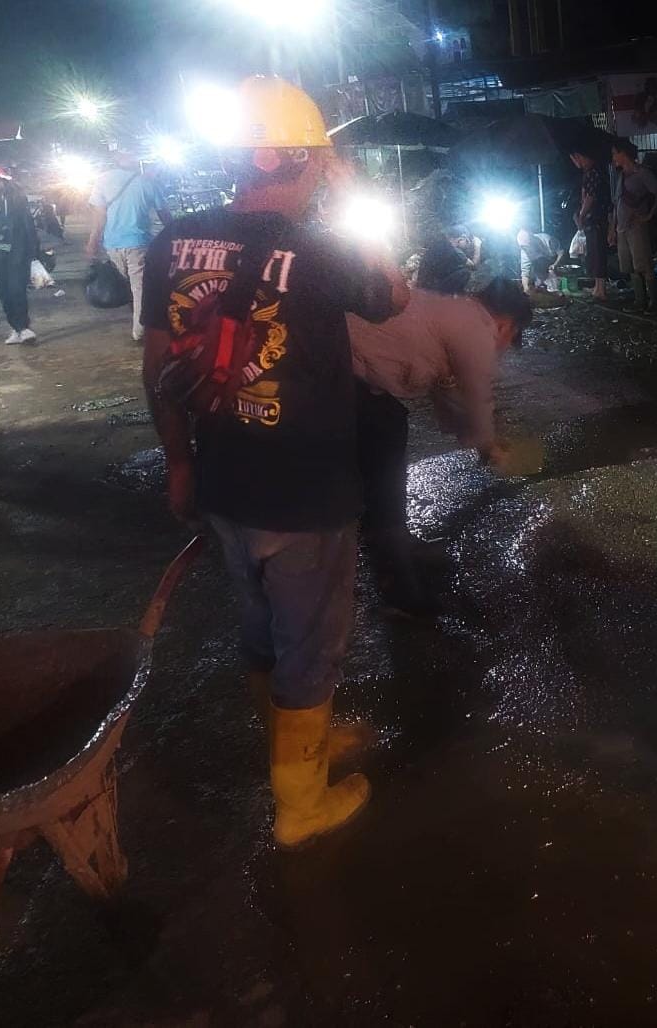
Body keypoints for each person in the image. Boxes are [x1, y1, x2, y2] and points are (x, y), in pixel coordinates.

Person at [140, 76, 409, 848]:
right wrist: (359, 200)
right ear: (290, 159)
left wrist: (180, 463)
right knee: (312, 641)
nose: (324, 168)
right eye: (317, 159)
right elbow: (391, 293)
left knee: (259, 623)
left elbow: (156, 364)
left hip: (223, 478)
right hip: (304, 490)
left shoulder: (174, 241)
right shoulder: (321, 250)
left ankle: (293, 742)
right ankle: (301, 802)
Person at [348, 277, 535, 615]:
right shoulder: (477, 328)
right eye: (511, 337)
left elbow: (449, 394)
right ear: (506, 324)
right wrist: (488, 445)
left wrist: (479, 440)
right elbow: (478, 397)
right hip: (346, 371)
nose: (505, 346)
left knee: (390, 428)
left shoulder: (458, 312)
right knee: (383, 468)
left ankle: (397, 541)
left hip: (357, 372)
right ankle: (398, 591)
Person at [86, 148, 172, 344]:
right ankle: (139, 330)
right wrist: (176, 234)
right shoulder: (147, 181)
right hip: (139, 242)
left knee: (124, 284)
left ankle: (138, 323)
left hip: (112, 243)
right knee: (139, 288)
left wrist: (93, 241)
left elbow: (99, 216)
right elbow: (164, 214)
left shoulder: (102, 180)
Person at [609, 139, 657, 312]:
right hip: (622, 227)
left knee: (644, 264)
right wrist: (612, 228)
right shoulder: (621, 176)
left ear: (623, 153)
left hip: (636, 226)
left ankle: (654, 302)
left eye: (614, 153)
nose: (613, 157)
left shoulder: (642, 173)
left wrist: (649, 215)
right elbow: (616, 204)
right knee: (631, 265)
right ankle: (640, 300)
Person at [0, 163, 39, 345]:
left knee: (16, 288)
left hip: (15, 249)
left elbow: (28, 224)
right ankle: (16, 327)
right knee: (3, 291)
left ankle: (23, 327)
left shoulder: (16, 198)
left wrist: (33, 251)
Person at [570, 147, 610, 301]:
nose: (575, 162)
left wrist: (581, 214)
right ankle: (597, 287)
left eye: (575, 158)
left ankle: (601, 290)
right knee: (593, 253)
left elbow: (590, 197)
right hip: (592, 219)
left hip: (597, 219)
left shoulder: (594, 173)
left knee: (598, 253)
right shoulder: (589, 173)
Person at [415, 224, 479, 294]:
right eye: (467, 242)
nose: (467, 246)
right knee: (465, 272)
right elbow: (473, 266)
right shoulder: (454, 251)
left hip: (424, 285)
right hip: (431, 289)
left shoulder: (440, 244)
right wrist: (477, 246)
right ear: (462, 238)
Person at [517, 228, 559, 293]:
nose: (527, 249)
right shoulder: (524, 252)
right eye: (524, 247)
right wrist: (526, 288)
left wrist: (555, 264)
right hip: (542, 272)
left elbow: (561, 252)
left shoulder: (547, 240)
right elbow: (525, 273)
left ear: (533, 239)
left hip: (557, 267)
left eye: (529, 246)